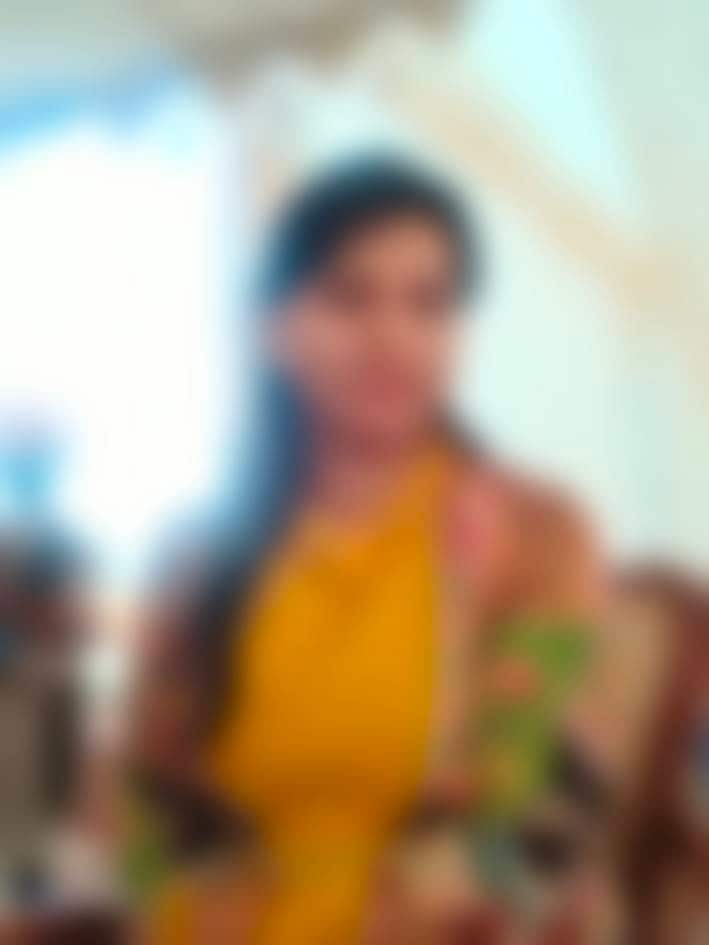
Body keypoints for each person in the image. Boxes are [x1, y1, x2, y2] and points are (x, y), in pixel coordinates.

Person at [129, 155, 613, 945]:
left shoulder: (533, 531)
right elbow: (145, 797)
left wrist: (421, 908)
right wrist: (187, 900)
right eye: (348, 297)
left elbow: (556, 806)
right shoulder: (199, 554)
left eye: (429, 303)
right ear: (274, 331)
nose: (392, 336)